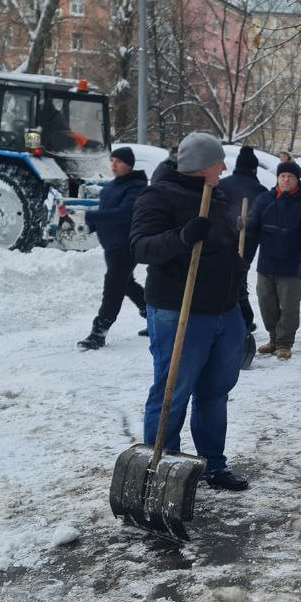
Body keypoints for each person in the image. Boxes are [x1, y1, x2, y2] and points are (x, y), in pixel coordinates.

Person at [129, 132, 249, 492]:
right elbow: (139, 247)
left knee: (214, 393)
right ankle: (165, 471)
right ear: (201, 166)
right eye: (218, 162)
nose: (224, 168)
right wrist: (181, 238)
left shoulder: (218, 196)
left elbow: (228, 258)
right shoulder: (159, 195)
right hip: (179, 311)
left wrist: (242, 306)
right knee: (172, 393)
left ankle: (212, 465)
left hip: (224, 312)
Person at [245, 160, 301, 361]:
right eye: (282, 176)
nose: (286, 179)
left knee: (288, 307)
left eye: (290, 176)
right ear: (277, 179)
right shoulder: (265, 199)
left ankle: (285, 343)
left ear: (297, 179)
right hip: (267, 263)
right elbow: (252, 227)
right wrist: (244, 225)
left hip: (292, 264)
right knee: (266, 303)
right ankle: (273, 338)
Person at [78, 146, 149, 349]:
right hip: (111, 245)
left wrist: (89, 216)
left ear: (129, 164)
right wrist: (90, 225)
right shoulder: (112, 186)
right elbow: (106, 211)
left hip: (126, 245)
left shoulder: (137, 187)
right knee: (126, 283)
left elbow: (124, 214)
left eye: (119, 161)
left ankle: (98, 332)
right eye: (112, 160)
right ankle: (153, 316)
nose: (114, 165)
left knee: (113, 286)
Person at [220, 145, 268, 334]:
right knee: (238, 277)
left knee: (228, 278)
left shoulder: (222, 185)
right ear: (254, 169)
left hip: (221, 240)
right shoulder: (261, 190)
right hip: (246, 243)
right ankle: (244, 318)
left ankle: (241, 318)